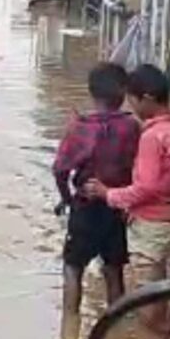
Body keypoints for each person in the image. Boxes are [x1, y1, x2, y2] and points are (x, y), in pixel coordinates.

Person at [86, 65, 170, 328]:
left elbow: (146, 188)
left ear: (148, 99)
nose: (131, 107)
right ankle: (162, 334)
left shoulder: (152, 137)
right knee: (159, 283)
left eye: (133, 100)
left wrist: (108, 193)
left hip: (151, 222)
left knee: (146, 293)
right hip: (168, 219)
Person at [52, 63, 141, 314]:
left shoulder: (80, 127)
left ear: (91, 92)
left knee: (72, 267)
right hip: (116, 207)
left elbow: (60, 170)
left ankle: (69, 329)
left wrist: (67, 199)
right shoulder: (132, 127)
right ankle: (116, 325)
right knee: (114, 270)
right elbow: (138, 167)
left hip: (85, 208)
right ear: (123, 93)